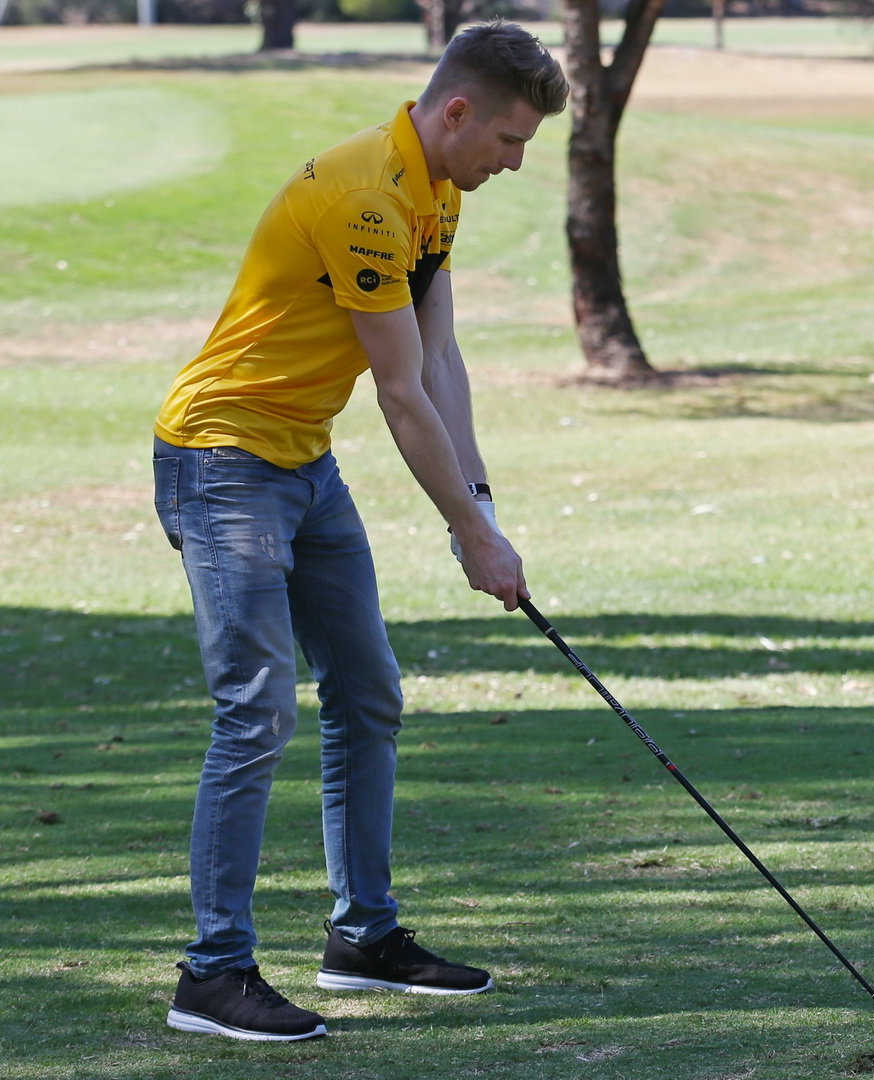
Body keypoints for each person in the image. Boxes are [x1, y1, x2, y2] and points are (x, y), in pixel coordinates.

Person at [148, 22, 568, 1042]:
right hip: (222, 460)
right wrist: (468, 536)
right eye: (510, 139)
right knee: (256, 711)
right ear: (457, 111)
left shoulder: (439, 193)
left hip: (300, 461)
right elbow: (397, 394)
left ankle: (363, 939)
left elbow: (441, 358)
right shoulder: (365, 199)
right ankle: (211, 976)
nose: (515, 162)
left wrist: (485, 503)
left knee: (367, 689)